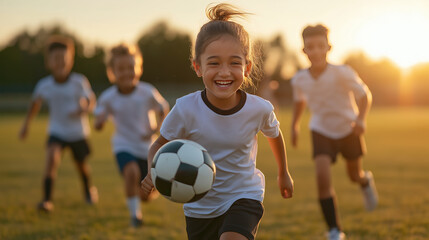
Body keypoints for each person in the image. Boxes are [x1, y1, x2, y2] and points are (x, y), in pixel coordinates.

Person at [141, 3, 294, 240]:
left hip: (244, 195)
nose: (224, 72)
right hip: (199, 207)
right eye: (214, 63)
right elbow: (158, 144)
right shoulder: (185, 109)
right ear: (197, 67)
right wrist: (153, 170)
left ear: (247, 68)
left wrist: (283, 172)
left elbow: (274, 134)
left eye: (234, 63)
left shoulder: (259, 108)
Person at [290, 24, 378, 240]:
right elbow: (299, 101)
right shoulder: (299, 79)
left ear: (329, 47)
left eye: (321, 46)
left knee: (353, 175)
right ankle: (334, 230)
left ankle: (365, 182)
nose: (316, 51)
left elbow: (365, 95)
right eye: (310, 47)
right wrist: (294, 125)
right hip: (320, 130)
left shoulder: (342, 72)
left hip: (349, 129)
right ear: (304, 51)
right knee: (322, 177)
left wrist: (361, 120)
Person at [19, 35, 98, 213]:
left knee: (81, 165)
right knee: (51, 160)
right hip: (57, 131)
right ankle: (46, 200)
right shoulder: (44, 85)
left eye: (64, 58)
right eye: (56, 59)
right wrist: (26, 126)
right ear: (48, 62)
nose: (61, 62)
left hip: (78, 132)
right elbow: (34, 105)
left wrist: (84, 108)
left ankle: (88, 192)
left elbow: (90, 99)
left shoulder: (79, 81)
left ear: (70, 60)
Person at [94, 43, 169, 227]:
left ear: (139, 69)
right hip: (123, 145)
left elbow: (163, 108)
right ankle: (135, 216)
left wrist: (156, 129)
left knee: (146, 196)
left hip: (147, 148)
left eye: (131, 67)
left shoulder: (147, 92)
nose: (126, 72)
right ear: (112, 72)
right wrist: (100, 121)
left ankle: (144, 199)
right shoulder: (108, 97)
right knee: (131, 172)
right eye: (121, 69)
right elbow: (98, 123)